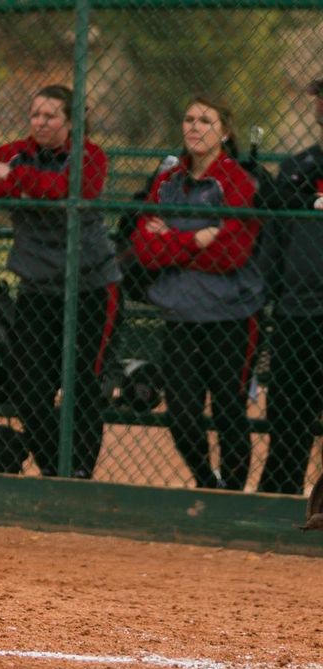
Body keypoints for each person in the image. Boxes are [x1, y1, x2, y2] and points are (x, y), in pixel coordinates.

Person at [0, 84, 120, 478]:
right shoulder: (18, 152)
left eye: (51, 116)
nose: (41, 123)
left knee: (83, 386)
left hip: (91, 287)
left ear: (70, 122)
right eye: (36, 115)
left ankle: (79, 473)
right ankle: (57, 473)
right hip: (38, 288)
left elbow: (75, 189)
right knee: (29, 387)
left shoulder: (89, 155)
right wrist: (20, 179)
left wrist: (16, 178)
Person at [131, 94, 262, 490]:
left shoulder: (237, 181)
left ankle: (234, 492)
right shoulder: (167, 181)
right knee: (182, 414)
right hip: (181, 314)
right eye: (188, 119)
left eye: (205, 120)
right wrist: (195, 239)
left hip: (230, 315)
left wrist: (171, 239)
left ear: (224, 131)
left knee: (228, 411)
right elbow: (144, 249)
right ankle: (208, 483)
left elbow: (232, 252)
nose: (194, 127)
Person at [257, 78, 323, 494]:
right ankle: (279, 505)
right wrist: (273, 294)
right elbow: (275, 241)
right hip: (298, 311)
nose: (318, 104)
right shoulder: (301, 167)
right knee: (287, 418)